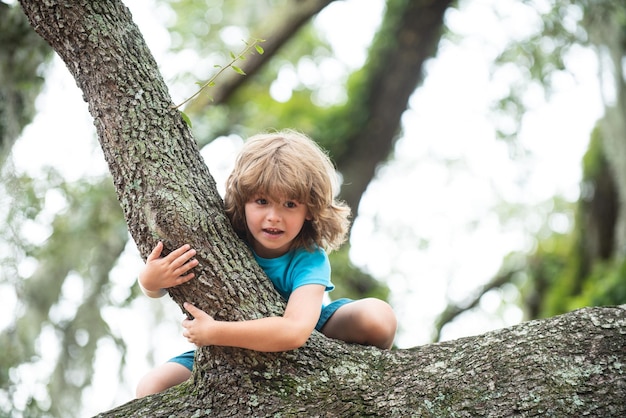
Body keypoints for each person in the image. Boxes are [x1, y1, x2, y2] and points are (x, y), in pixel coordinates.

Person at [135, 130, 397, 397]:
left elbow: (294, 331)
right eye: (262, 201)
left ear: (309, 210)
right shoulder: (222, 240)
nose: (274, 217)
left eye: (290, 204)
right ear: (243, 201)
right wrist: (150, 282)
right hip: (223, 347)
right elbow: (167, 284)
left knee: (378, 317)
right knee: (149, 387)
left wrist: (215, 332)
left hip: (310, 334)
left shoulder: (308, 256)